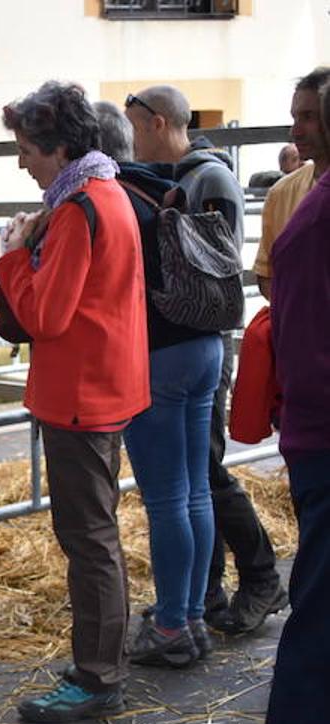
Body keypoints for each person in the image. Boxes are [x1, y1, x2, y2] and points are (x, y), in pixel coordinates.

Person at [0, 82, 149, 724]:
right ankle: (99, 660)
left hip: (82, 393)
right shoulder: (102, 194)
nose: (22, 162)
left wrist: (11, 257)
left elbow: (47, 316)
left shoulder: (78, 208)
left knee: (87, 537)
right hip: (102, 385)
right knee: (94, 533)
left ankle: (98, 677)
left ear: (58, 149)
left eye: (27, 149)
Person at [126, 85, 287, 634]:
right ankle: (203, 594)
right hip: (193, 337)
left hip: (195, 336)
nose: (131, 139)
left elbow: (206, 266)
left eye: (135, 127)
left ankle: (261, 575)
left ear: (159, 122)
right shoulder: (180, 179)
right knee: (195, 478)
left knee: (204, 474)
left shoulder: (206, 178)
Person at [95, 101, 223, 668]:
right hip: (204, 342)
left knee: (168, 497)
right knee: (195, 490)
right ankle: (190, 614)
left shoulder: (111, 200)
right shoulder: (169, 182)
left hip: (160, 355)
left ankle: (171, 626)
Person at [251, 82, 330, 724]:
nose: (296, 128)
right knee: (321, 623)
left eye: (310, 115)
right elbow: (306, 350)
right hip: (326, 443)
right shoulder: (312, 214)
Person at [253, 70, 328, 305]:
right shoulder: (281, 193)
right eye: (295, 118)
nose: (295, 131)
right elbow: (267, 276)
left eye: (308, 117)